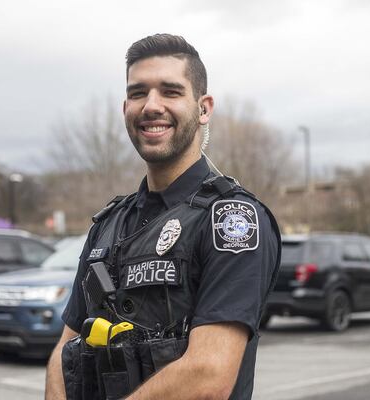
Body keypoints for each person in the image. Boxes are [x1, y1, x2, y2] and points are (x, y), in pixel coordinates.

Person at [45, 33, 281, 400]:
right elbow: (65, 352)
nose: (151, 106)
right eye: (138, 93)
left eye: (170, 92)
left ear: (203, 108)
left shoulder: (231, 220)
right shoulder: (108, 226)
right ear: (125, 108)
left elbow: (208, 376)